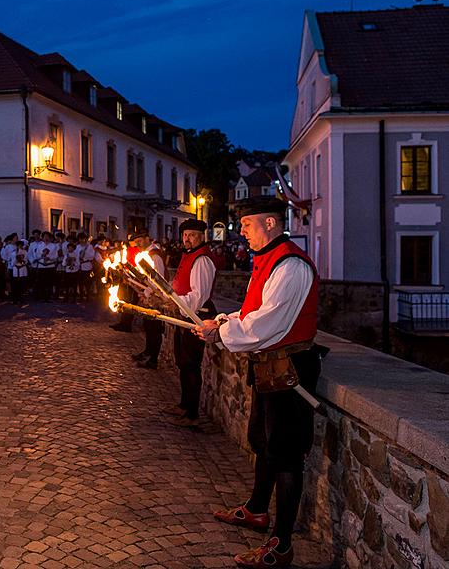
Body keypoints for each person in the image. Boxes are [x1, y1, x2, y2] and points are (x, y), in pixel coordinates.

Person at [194, 197, 324, 568]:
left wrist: (221, 333)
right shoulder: (267, 261)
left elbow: (265, 324)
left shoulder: (291, 266)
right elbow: (251, 310)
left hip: (290, 372)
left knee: (286, 455)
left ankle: (281, 545)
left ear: (269, 224)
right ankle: (256, 510)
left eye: (247, 225)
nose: (242, 232)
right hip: (270, 370)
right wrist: (221, 322)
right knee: (263, 441)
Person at [161, 219, 216, 428]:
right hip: (184, 314)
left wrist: (173, 301)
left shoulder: (202, 259)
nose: (187, 239)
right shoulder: (189, 255)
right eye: (184, 235)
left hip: (196, 315)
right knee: (182, 362)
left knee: (191, 364)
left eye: (192, 235)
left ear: (202, 236)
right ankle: (184, 405)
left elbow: (198, 295)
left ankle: (192, 413)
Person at [134, 241, 167, 369]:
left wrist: (147, 292)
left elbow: (158, 279)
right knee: (148, 326)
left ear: (146, 239)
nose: (138, 245)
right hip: (149, 295)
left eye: (139, 241)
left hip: (156, 298)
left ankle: (153, 358)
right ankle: (148, 352)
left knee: (154, 328)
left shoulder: (155, 257)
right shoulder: (146, 255)